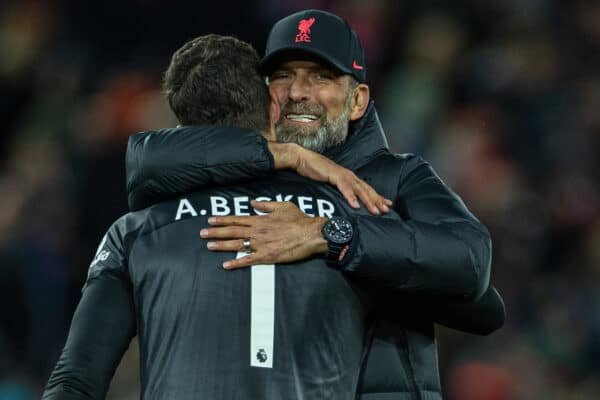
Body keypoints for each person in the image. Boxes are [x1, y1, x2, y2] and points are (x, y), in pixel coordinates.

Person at [124, 10, 505, 400]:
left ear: (357, 100)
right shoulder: (248, 179)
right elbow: (145, 163)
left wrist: (332, 235)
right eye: (284, 75)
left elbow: (474, 275)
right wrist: (282, 156)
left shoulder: (397, 178)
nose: (297, 93)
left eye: (320, 76)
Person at [43, 34, 421, 400]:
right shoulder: (350, 221)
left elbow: (75, 381)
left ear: (180, 133)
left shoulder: (137, 232)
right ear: (274, 109)